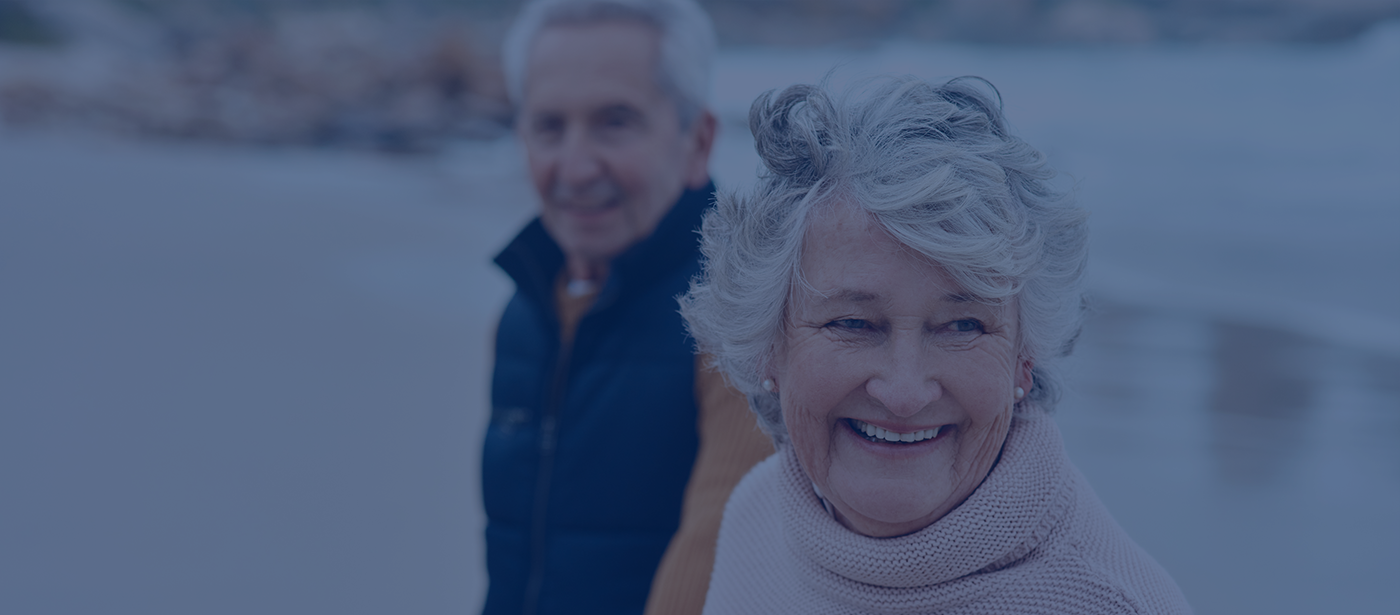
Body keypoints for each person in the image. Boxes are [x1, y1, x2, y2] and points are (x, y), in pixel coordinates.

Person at [681, 76, 1193, 614]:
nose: (904, 393)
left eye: (963, 326)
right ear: (769, 346)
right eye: (853, 324)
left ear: (1025, 359)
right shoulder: (756, 515)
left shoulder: (1109, 603)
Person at [484, 1, 773, 614]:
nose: (577, 167)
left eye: (615, 122)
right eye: (549, 126)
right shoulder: (525, 312)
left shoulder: (741, 317)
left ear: (697, 141)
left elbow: (718, 561)